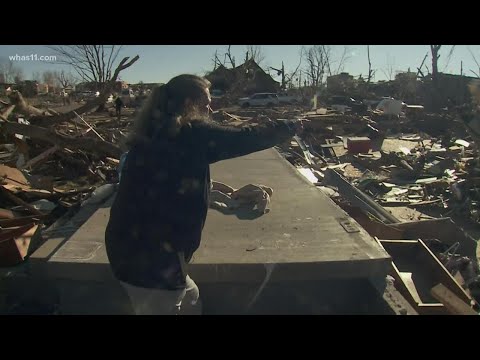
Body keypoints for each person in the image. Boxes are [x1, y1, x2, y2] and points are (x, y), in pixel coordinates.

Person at [105, 74, 304, 315]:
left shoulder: (157, 130)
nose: (211, 107)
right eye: (207, 102)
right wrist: (287, 127)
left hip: (131, 247)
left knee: (191, 298)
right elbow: (243, 139)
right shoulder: (189, 134)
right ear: (189, 104)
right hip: (150, 261)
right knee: (166, 305)